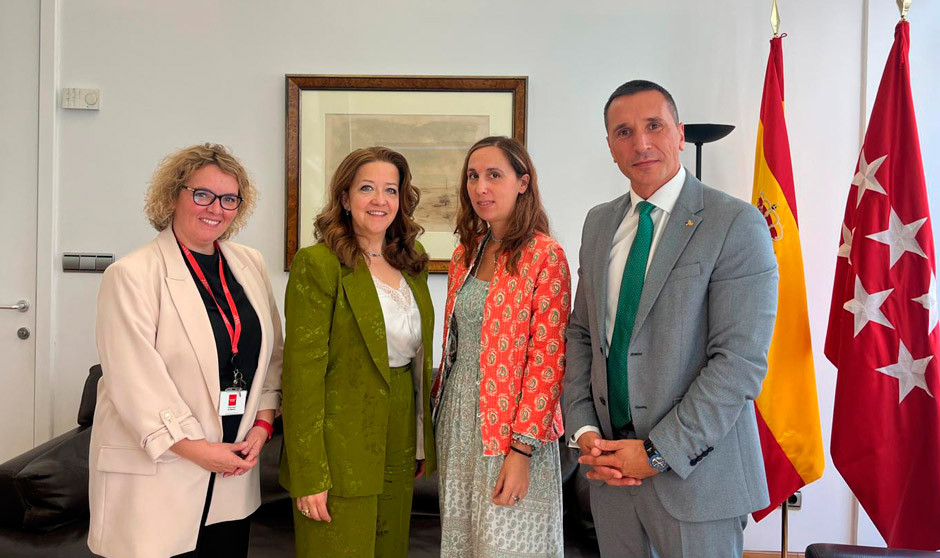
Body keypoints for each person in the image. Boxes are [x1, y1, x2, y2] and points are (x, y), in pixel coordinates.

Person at [562, 80, 779, 558]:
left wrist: (657, 453)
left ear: (679, 133)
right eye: (623, 132)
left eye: (654, 126)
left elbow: (738, 363)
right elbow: (581, 335)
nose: (640, 143)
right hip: (610, 479)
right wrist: (584, 433)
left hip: (696, 480)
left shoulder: (735, 223)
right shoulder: (599, 223)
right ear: (610, 148)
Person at [88, 143, 283, 558]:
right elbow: (133, 380)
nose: (216, 208)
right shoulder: (132, 274)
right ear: (173, 195)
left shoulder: (250, 264)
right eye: (202, 194)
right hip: (161, 470)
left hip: (233, 470)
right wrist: (197, 450)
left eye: (229, 198)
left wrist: (263, 425)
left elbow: (272, 355)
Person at [279, 146, 436, 557]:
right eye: (367, 188)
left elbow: (417, 362)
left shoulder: (411, 262)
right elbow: (301, 375)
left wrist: (420, 441)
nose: (380, 200)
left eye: (391, 189)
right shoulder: (318, 264)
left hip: (399, 439)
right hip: (338, 444)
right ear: (345, 199)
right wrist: (309, 474)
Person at [432, 136, 571, 557]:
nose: (481, 188)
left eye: (495, 175)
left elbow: (549, 360)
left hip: (511, 431)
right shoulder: (465, 254)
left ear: (523, 182)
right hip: (457, 421)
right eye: (473, 177)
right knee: (463, 546)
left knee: (508, 546)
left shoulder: (546, 256)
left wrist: (521, 450)